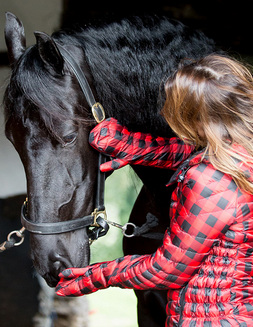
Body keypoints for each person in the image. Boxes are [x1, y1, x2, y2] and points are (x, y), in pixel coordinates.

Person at [56, 54, 253, 327]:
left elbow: (168, 270)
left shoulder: (210, 180)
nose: (163, 113)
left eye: (171, 107)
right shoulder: (238, 154)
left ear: (193, 116)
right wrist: (125, 144)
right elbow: (187, 152)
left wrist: (93, 276)